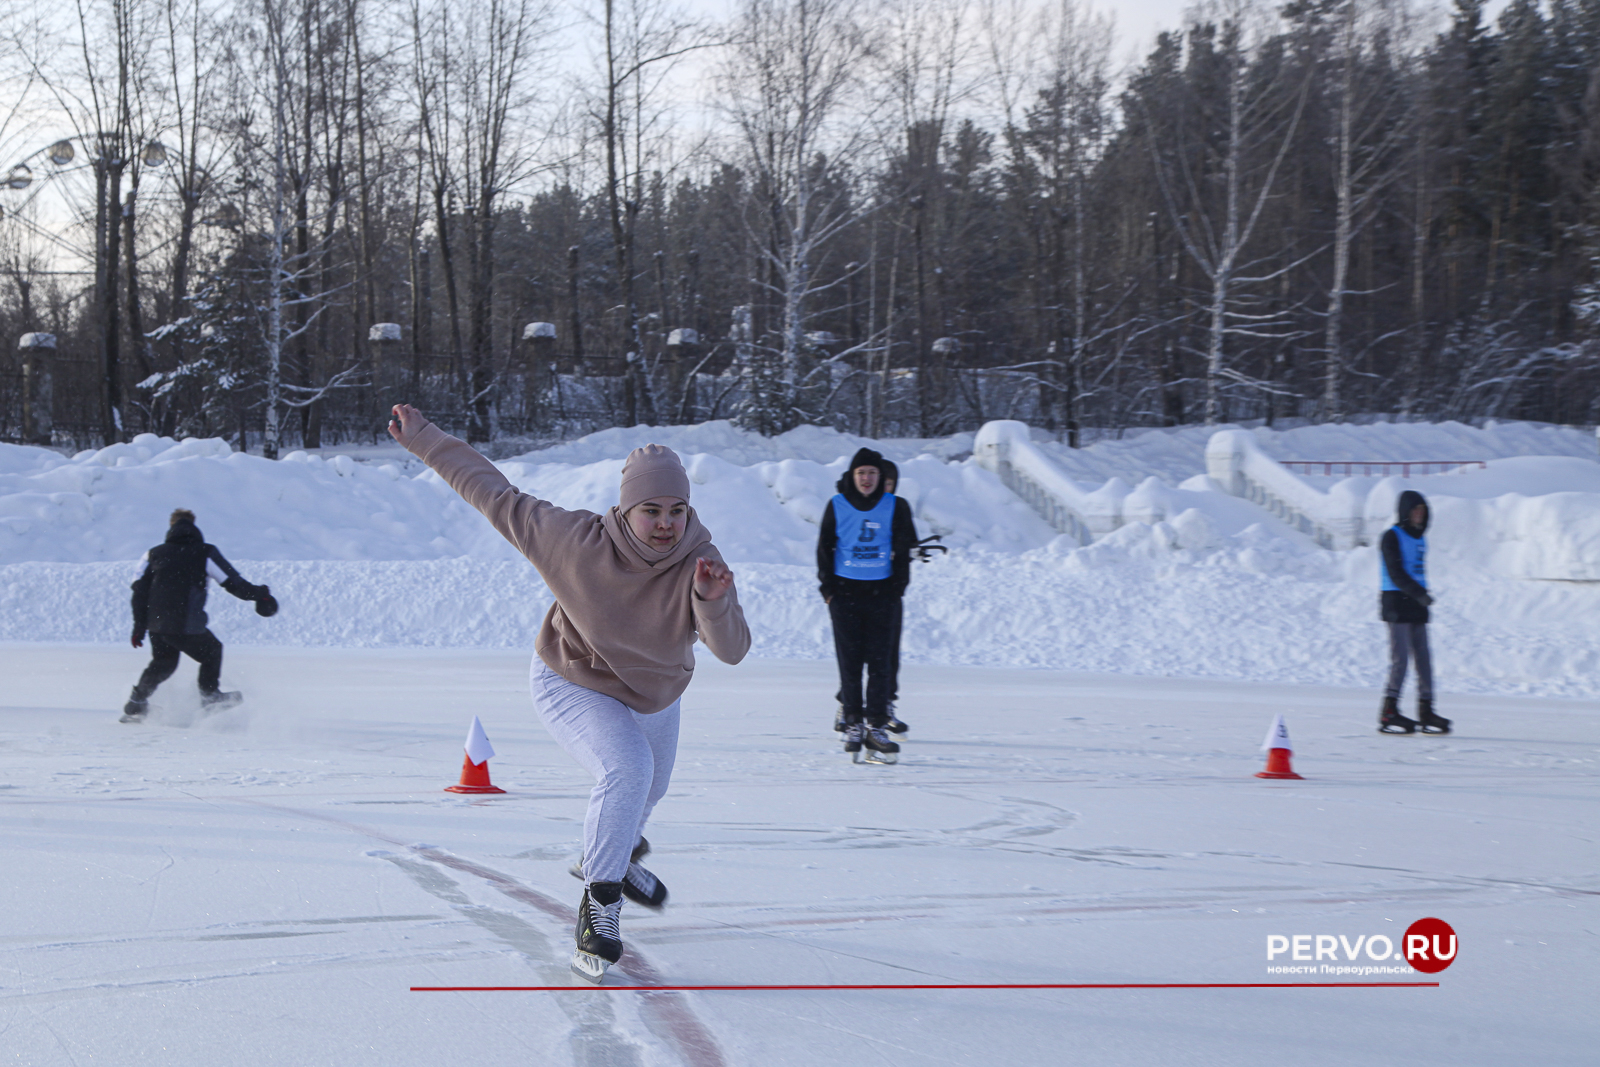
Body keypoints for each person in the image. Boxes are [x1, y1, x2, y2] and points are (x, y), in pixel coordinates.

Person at [386, 404, 750, 982]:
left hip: (654, 692)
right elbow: (493, 493)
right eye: (651, 510)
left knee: (649, 787)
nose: (666, 524)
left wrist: (712, 601)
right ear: (625, 511)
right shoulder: (572, 541)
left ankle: (606, 855)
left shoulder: (700, 561)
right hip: (572, 678)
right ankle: (599, 908)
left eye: (677, 511)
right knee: (626, 771)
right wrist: (425, 439)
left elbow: (731, 650)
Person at [123, 509, 276, 722]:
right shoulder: (205, 552)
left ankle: (136, 704)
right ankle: (210, 696)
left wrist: (139, 626)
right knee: (212, 651)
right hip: (185, 623)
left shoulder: (153, 553)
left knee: (164, 663)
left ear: (171, 527)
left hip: (156, 624)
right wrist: (261, 595)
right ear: (194, 527)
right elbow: (234, 584)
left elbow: (139, 592)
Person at [816, 447, 916, 763]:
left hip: (882, 596)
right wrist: (828, 589)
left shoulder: (896, 506)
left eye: (872, 473)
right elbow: (825, 547)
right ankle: (853, 724)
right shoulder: (837, 505)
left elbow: (904, 548)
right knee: (850, 664)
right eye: (861, 473)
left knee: (880, 664)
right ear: (852, 476)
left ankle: (876, 726)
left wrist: (897, 588)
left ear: (881, 477)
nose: (867, 479)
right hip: (845, 596)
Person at [1378, 489, 1451, 735]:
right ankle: (1389, 711)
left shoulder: (1421, 538)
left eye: (1422, 511)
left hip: (1417, 603)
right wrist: (1418, 593)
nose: (1419, 515)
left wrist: (1421, 597)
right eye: (1415, 511)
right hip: (1397, 602)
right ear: (1405, 512)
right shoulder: (1391, 536)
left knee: (1424, 660)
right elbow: (1395, 572)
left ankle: (1426, 709)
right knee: (1401, 660)